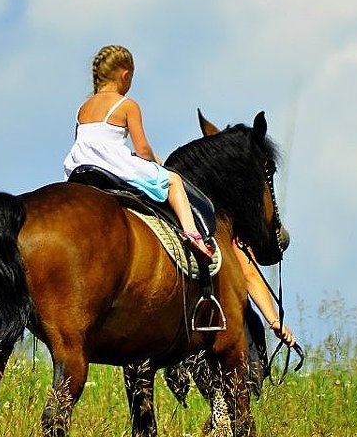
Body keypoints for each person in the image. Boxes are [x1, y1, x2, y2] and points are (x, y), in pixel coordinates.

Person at [63, 45, 213, 260]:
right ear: (125, 75)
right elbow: (142, 149)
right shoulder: (127, 105)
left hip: (79, 168)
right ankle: (193, 235)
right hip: (112, 166)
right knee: (173, 181)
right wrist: (155, 161)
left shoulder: (83, 108)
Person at [233, 241, 297, 348]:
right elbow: (250, 275)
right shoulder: (230, 230)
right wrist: (275, 320)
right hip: (231, 312)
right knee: (253, 327)